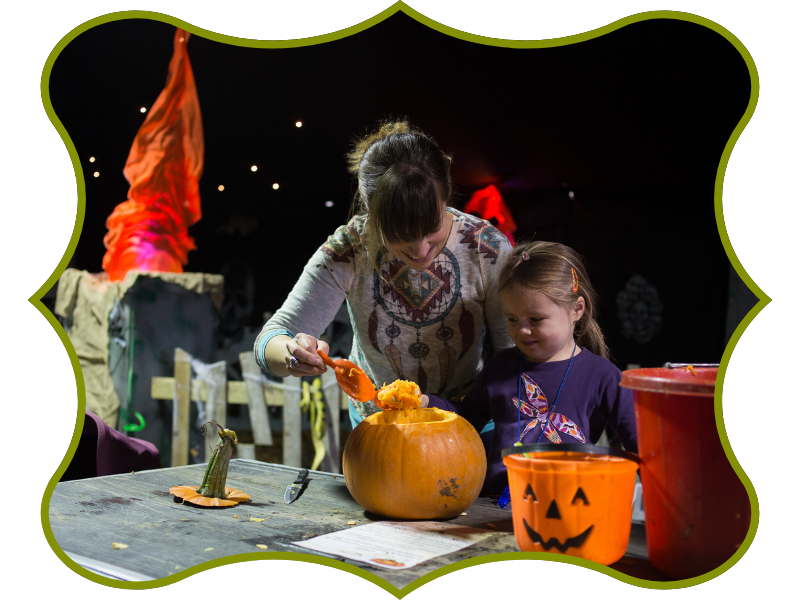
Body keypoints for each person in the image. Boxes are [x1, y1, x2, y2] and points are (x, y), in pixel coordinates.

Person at [254, 120, 515, 427]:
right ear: (369, 209)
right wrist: (291, 353)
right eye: (398, 235)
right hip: (378, 425)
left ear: (445, 195)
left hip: (465, 419)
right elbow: (271, 337)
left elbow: (510, 357)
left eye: (432, 230)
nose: (420, 250)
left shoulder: (486, 249)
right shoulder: (350, 249)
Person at [421, 241, 638, 495]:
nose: (521, 330)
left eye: (536, 319)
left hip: (566, 508)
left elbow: (641, 447)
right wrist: (426, 403)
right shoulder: (500, 367)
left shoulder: (604, 377)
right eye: (512, 319)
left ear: (576, 309)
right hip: (493, 508)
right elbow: (465, 420)